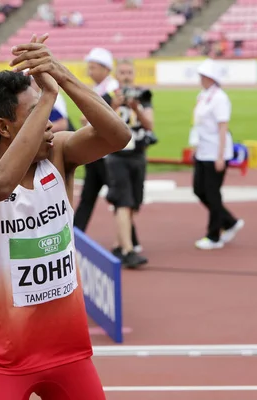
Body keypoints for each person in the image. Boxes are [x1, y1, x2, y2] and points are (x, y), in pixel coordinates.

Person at [0, 33, 130, 400]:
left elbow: (117, 136)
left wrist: (60, 76)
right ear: (3, 128)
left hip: (70, 354)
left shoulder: (58, 155)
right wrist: (46, 96)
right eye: (36, 114)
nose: (51, 122)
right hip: (5, 361)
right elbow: (0, 183)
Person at [189, 58, 244, 250]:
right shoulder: (202, 96)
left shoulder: (220, 98)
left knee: (213, 193)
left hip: (216, 152)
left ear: (212, 78)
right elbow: (198, 124)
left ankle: (214, 235)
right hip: (203, 151)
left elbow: (223, 128)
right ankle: (229, 221)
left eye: (204, 76)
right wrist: (195, 146)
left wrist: (221, 156)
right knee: (198, 189)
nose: (201, 79)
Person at [106, 59, 153, 267]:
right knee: (123, 202)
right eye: (122, 72)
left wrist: (137, 108)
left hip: (138, 154)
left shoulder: (142, 95)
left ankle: (118, 243)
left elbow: (150, 124)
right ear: (117, 74)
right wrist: (114, 105)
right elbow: (91, 121)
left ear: (134, 74)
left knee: (134, 203)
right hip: (117, 156)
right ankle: (128, 250)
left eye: (129, 72)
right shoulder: (109, 96)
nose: (125, 75)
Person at [72, 47, 119, 233]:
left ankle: (129, 242)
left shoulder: (112, 89)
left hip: (108, 154)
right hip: (96, 152)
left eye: (93, 67)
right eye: (89, 67)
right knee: (89, 195)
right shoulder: (100, 88)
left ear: (106, 69)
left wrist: (88, 119)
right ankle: (76, 232)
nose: (90, 71)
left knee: (117, 197)